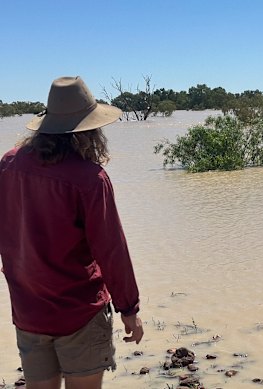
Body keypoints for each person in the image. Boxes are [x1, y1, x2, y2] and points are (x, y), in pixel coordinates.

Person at [0, 76, 143, 389]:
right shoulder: (90, 178)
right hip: (80, 312)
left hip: (28, 311)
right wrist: (129, 308)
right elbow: (111, 250)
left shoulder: (9, 165)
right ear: (90, 129)